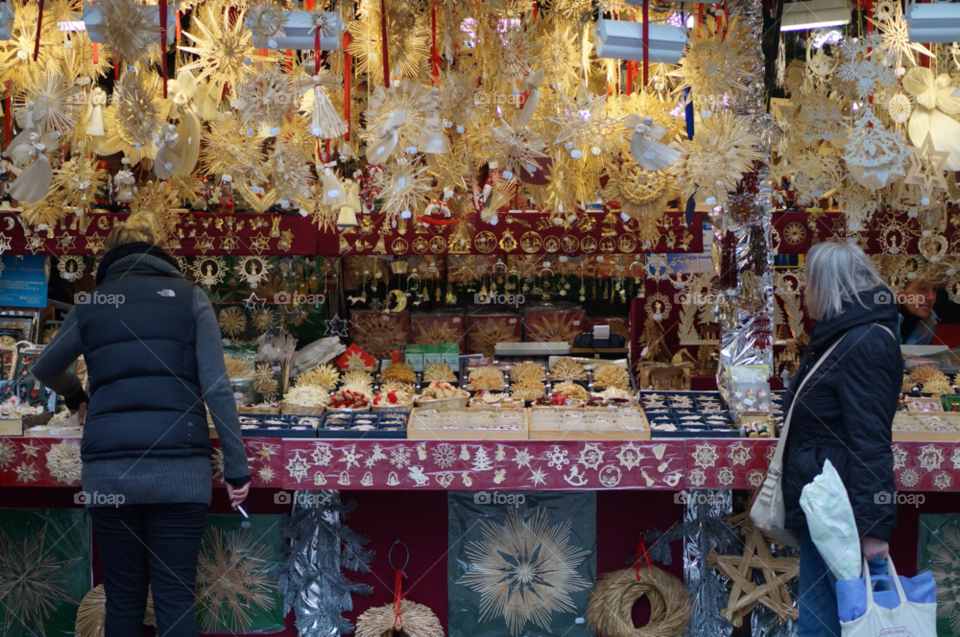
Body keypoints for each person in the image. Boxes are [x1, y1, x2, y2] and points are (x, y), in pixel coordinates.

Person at [33, 214, 251, 637]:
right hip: (180, 476)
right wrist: (236, 468)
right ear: (158, 250)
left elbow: (44, 367)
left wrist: (76, 395)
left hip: (111, 475)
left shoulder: (93, 303)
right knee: (175, 599)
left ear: (109, 255)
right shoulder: (191, 297)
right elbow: (217, 388)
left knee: (123, 599)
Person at [782, 243, 902, 637]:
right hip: (827, 503)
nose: (804, 292)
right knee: (821, 617)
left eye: (807, 283)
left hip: (843, 510)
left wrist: (874, 529)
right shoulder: (843, 335)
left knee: (826, 622)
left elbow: (871, 441)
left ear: (826, 285)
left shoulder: (865, 342)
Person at [897, 276, 938, 345]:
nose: (931, 297)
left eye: (934, 289)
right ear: (898, 292)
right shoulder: (880, 320)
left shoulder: (929, 321)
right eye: (922, 289)